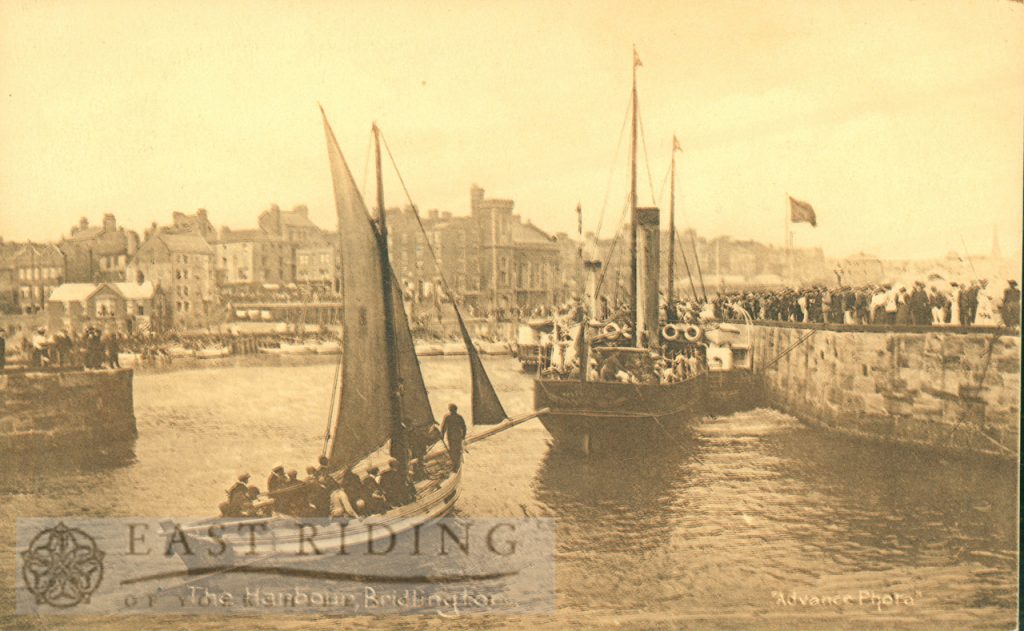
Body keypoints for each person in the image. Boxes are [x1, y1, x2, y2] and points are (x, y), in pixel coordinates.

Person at [440, 403, 467, 471]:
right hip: (457, 436)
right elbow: (464, 427)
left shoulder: (447, 417)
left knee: (452, 450)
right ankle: (456, 465)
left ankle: (455, 465)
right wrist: (463, 435)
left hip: (451, 436)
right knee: (457, 450)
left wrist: (442, 435)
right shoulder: (459, 417)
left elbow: (443, 427)